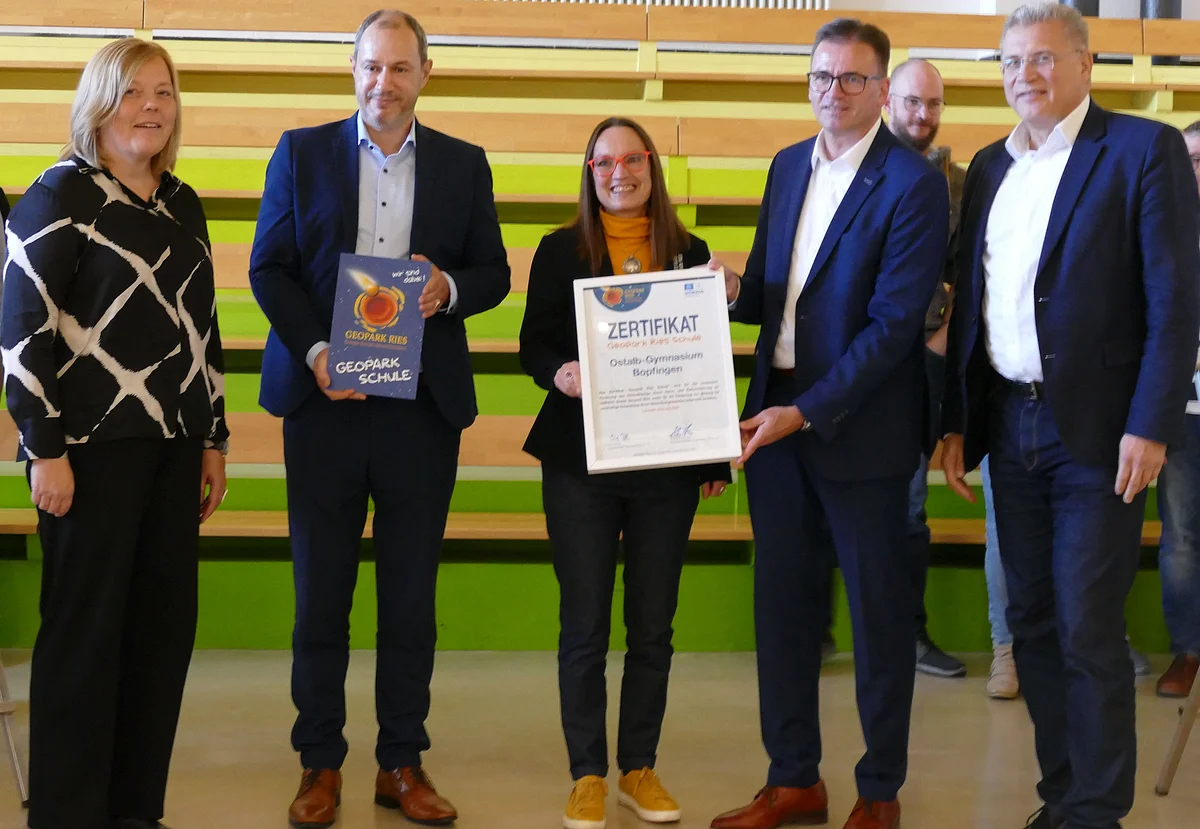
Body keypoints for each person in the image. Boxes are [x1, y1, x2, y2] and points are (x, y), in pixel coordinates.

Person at [941, 4, 1200, 828]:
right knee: (1032, 620)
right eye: (1011, 61)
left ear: (1086, 64)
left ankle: (1096, 809)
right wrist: (958, 423)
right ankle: (1063, 793)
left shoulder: (1140, 149)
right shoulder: (987, 166)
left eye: (1044, 58)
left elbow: (1174, 299)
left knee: (1088, 620)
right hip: (1008, 422)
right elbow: (973, 310)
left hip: (1100, 431)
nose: (1025, 75)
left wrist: (1152, 421)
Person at [248, 9, 509, 828]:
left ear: (426, 74)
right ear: (352, 70)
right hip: (324, 401)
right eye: (369, 67)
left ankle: (401, 761)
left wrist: (448, 288)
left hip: (419, 409)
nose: (382, 84)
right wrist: (320, 352)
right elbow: (270, 267)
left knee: (408, 597)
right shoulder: (302, 152)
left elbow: (494, 271)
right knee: (320, 596)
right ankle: (319, 761)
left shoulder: (465, 165)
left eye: (399, 69)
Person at [709, 18, 949, 829]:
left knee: (880, 622)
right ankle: (793, 779)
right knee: (783, 613)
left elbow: (892, 326)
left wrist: (804, 412)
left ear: (883, 89)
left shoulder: (912, 183)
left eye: (852, 79)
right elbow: (776, 297)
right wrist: (725, 287)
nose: (834, 92)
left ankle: (879, 789)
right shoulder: (785, 167)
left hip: (861, 434)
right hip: (773, 426)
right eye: (822, 77)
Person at [0, 37, 229, 829]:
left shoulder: (183, 202)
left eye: (163, 92)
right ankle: (67, 815)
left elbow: (204, 328)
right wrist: (43, 448)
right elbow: (22, 331)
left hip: (172, 452)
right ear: (98, 101)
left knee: (159, 640)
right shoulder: (57, 194)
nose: (152, 107)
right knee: (83, 645)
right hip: (88, 455)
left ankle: (135, 811)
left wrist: (213, 436)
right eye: (133, 92)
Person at [519, 117, 731, 829]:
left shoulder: (691, 252)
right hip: (580, 461)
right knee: (583, 624)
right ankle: (587, 773)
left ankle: (639, 766)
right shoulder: (558, 250)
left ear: (651, 167)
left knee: (652, 624)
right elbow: (533, 344)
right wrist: (562, 372)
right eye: (604, 161)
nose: (619, 172)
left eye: (631, 158)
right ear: (589, 170)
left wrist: (709, 454)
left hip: (666, 466)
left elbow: (704, 360)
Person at [883, 57, 968, 680]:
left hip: (922, 366)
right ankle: (818, 631)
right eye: (913, 101)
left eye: (933, 104)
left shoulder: (959, 182)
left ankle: (908, 635)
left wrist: (939, 333)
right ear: (888, 99)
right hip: (852, 366)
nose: (923, 115)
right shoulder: (856, 165)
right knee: (828, 503)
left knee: (910, 509)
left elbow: (963, 275)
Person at [1154, 120, 1200, 700]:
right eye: (1190, 156)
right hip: (1181, 409)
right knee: (1183, 535)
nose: (1198, 168)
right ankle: (1188, 651)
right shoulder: (1160, 228)